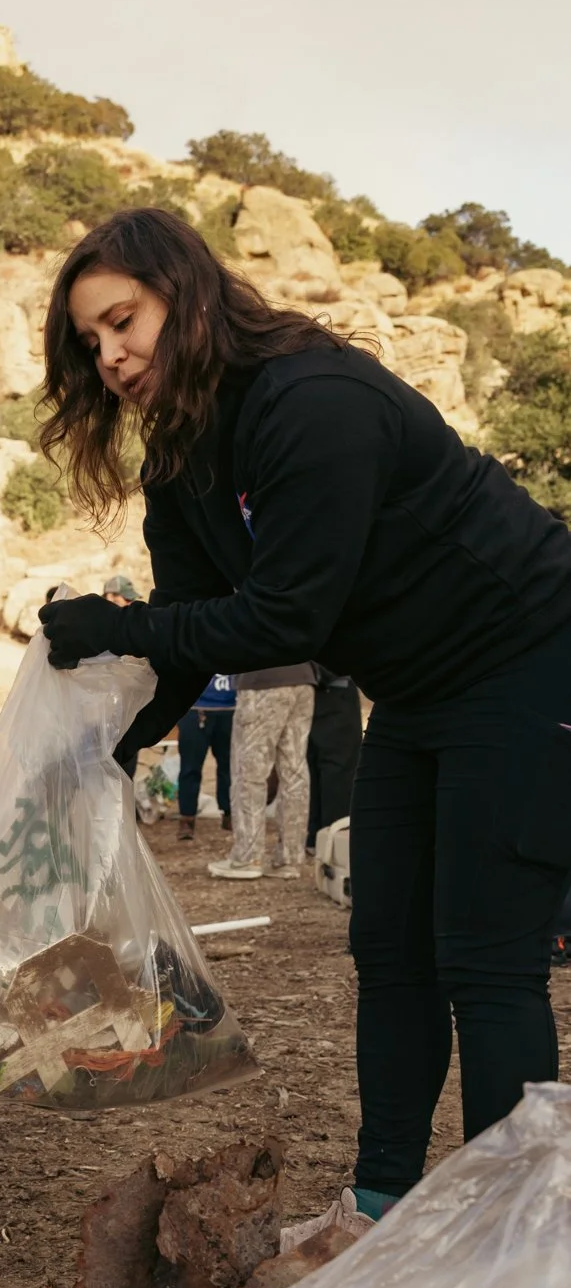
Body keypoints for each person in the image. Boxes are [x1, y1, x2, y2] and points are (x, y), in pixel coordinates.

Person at [36, 205, 571, 1225]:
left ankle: (519, 1230)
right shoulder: (180, 459)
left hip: (528, 657)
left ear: (184, 296)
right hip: (416, 690)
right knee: (387, 947)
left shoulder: (306, 399)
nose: (106, 356)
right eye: (88, 341)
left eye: (121, 321)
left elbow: (281, 616)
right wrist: (107, 749)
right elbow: (193, 629)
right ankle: (379, 1200)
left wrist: (119, 624)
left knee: (482, 957)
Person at [211, 663, 315, 879]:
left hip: (262, 680)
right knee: (294, 770)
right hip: (303, 679)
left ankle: (248, 857)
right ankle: (289, 858)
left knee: (248, 771)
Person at [306, 664, 364, 846]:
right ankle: (320, 838)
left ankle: (328, 838)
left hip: (328, 689)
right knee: (316, 768)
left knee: (333, 770)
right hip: (321, 691)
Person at [175, 671, 234, 840]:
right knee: (189, 767)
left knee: (230, 767)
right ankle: (187, 818)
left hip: (230, 707)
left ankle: (229, 813)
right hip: (195, 708)